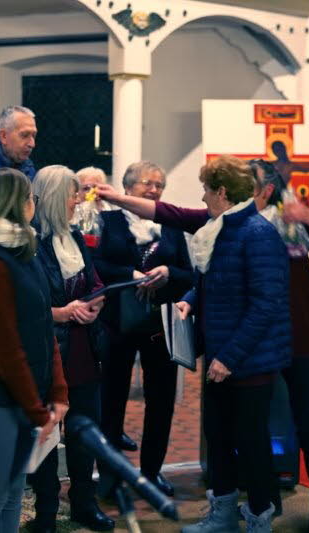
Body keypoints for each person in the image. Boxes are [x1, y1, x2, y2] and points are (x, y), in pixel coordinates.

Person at [99, 159, 309, 532]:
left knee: (307, 424)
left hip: (293, 339)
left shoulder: (280, 228)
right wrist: (116, 198)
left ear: (265, 190)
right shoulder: (222, 225)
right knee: (237, 429)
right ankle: (251, 504)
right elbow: (173, 219)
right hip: (246, 342)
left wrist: (307, 215)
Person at [0, 167, 67, 533]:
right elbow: (2, 344)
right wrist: (35, 408)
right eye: (29, 197)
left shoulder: (23, 251)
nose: (33, 203)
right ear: (15, 203)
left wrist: (57, 390)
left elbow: (42, 327)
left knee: (15, 493)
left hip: (25, 394)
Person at [92, 161, 193, 497]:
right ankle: (109, 476)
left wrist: (168, 272)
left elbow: (188, 274)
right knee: (112, 400)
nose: (154, 190)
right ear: (128, 187)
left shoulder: (172, 226)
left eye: (159, 185)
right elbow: (95, 266)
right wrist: (130, 275)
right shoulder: (107, 221)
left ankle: (152, 472)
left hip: (160, 325)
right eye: (147, 184)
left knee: (161, 400)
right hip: (117, 323)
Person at [26, 165, 113, 533]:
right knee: (48, 438)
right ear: (51, 199)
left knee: (84, 435)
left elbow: (93, 281)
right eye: (71, 195)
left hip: (84, 350)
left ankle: (83, 503)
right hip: (52, 352)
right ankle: (46, 512)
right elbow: (23, 306)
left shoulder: (74, 237)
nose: (78, 201)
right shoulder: (30, 243)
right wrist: (60, 312)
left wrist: (97, 301)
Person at [0, 105, 38, 180]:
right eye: (24, 135)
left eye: (34, 136)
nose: (32, 144)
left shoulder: (27, 165)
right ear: (4, 136)